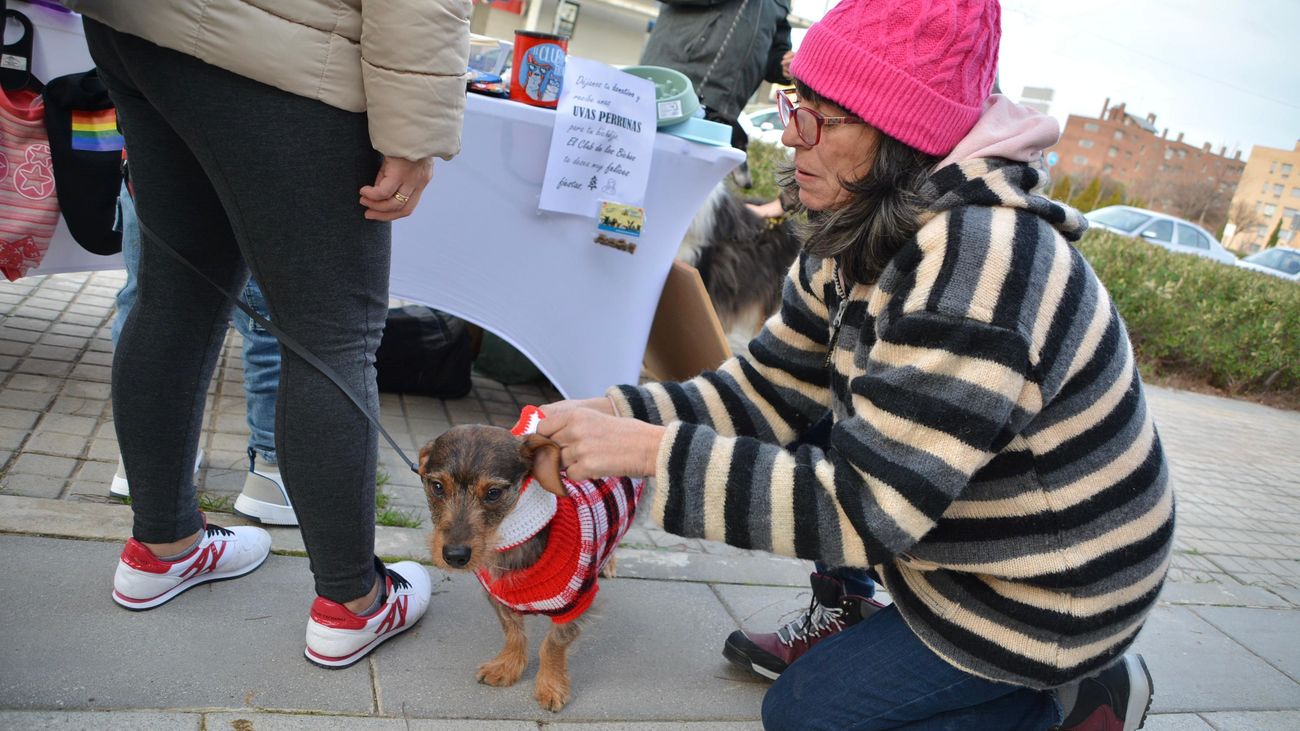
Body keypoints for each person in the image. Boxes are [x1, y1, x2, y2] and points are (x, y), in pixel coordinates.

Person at [536, 0, 1173, 728]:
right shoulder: (856, 226)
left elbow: (872, 509)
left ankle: (1074, 700)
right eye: (793, 104)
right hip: (964, 524)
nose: (789, 136)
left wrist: (652, 452)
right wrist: (617, 412)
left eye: (822, 117)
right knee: (815, 418)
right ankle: (860, 611)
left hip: (1053, 588)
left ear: (902, 133)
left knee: (805, 713)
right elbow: (768, 387)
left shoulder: (977, 267)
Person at [64, 0, 469, 668]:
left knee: (175, 296)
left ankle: (163, 547)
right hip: (285, 50)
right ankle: (354, 603)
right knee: (332, 335)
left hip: (137, 28)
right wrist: (413, 130)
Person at [109, 181, 296, 526]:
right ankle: (272, 473)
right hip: (247, 155)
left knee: (149, 301)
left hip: (152, 147)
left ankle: (142, 455)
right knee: (265, 312)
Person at [641, 0, 792, 186]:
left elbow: (773, 50)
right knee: (641, 185)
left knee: (685, 198)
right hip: (668, 96)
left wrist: (784, 66)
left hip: (719, 115)